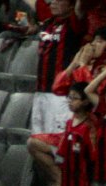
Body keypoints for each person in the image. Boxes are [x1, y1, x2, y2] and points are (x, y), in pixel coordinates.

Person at [31, 0, 86, 135]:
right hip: (40, 91)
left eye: (59, 0)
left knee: (56, 141)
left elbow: (81, 6)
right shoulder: (47, 23)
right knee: (36, 138)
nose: (53, 3)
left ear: (71, 5)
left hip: (60, 94)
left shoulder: (74, 23)